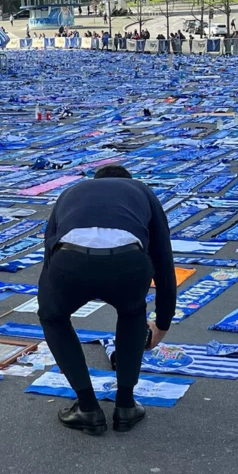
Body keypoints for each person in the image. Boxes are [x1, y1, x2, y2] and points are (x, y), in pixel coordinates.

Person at [38, 165, 176, 436]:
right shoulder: (141, 190)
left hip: (69, 259)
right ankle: (126, 406)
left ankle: (87, 408)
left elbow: (50, 247)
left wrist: (50, 302)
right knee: (132, 314)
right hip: (128, 261)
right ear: (128, 181)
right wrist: (162, 323)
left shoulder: (72, 191)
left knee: (53, 318)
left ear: (95, 181)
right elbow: (163, 259)